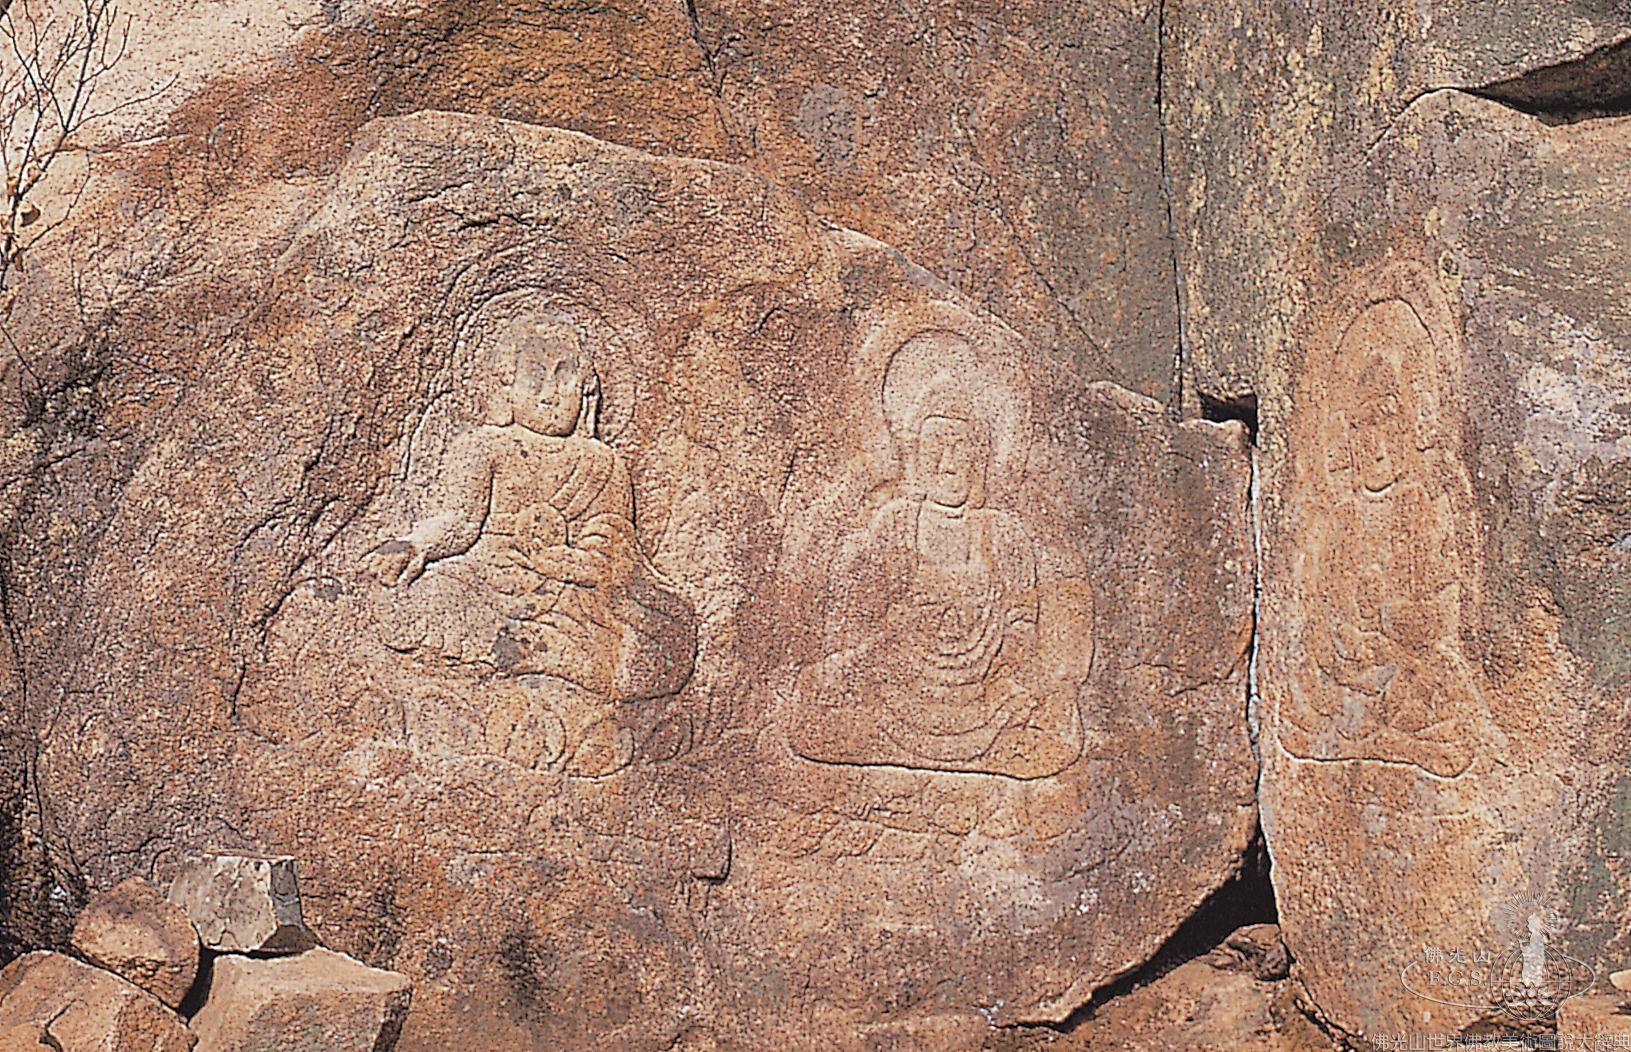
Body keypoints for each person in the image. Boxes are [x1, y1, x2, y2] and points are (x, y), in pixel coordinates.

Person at [369, 312, 694, 775]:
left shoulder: (602, 463)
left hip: (571, 593)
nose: (549, 393)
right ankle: (522, 683)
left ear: (586, 392)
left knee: (656, 637)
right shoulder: (484, 446)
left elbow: (610, 550)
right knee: (422, 599)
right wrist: (415, 545)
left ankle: (543, 680)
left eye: (564, 378)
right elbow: (460, 522)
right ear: (504, 387)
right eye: (534, 377)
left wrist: (563, 562)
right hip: (486, 580)